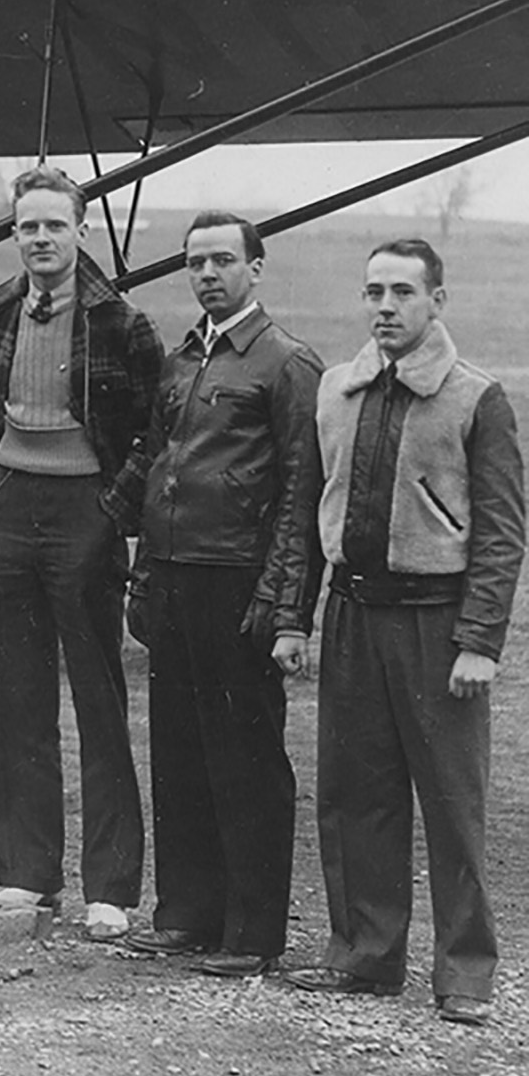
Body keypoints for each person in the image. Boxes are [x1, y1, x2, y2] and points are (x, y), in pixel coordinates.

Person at [285, 238, 524, 1027]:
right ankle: (366, 954)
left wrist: (480, 641)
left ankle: (466, 973)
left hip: (436, 622)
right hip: (352, 616)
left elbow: (501, 533)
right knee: (355, 795)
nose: (385, 307)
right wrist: (294, 618)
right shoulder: (336, 390)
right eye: (374, 292)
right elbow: (309, 510)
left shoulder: (476, 398)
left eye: (402, 292)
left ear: (436, 301)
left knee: (452, 804)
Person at [121, 213, 323, 976]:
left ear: (255, 268)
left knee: (245, 757)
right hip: (174, 578)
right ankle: (186, 914)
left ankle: (252, 932)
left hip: (238, 583)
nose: (207, 274)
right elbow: (158, 466)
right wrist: (144, 575)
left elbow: (301, 494)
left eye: (223, 260)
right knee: (179, 752)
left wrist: (282, 604)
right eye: (195, 262)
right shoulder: (183, 359)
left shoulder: (285, 363)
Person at [0, 164, 159, 941]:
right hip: (10, 506)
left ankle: (109, 887)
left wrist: (113, 511)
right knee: (12, 699)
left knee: (98, 699)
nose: (40, 238)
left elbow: (152, 432)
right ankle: (25, 872)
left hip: (86, 507)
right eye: (28, 226)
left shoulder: (120, 323)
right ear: (14, 234)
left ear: (80, 231)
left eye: (54, 225)